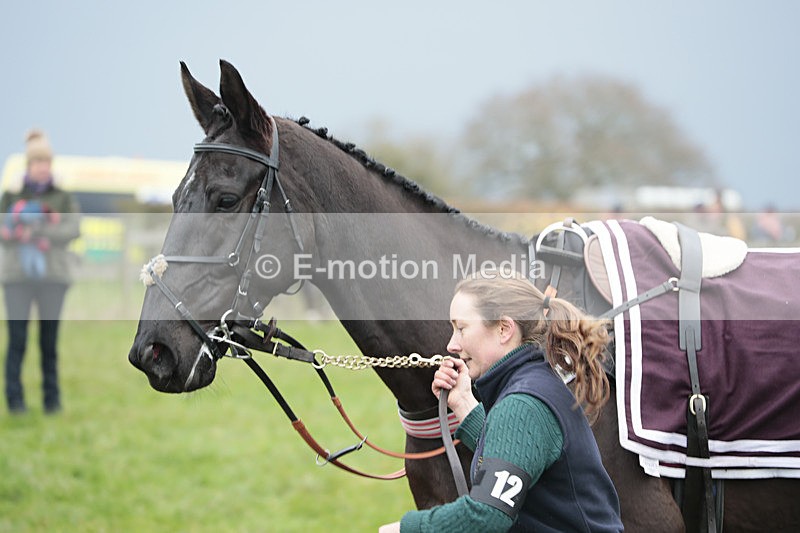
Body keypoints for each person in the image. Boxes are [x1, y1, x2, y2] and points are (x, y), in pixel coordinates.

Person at [380, 273, 623, 532]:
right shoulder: (533, 380)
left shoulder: (522, 404)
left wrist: (405, 529)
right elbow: (517, 455)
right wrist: (462, 401)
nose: (452, 344)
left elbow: (487, 515)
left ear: (504, 329)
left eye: (461, 328)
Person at [1, 129, 80, 414]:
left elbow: (73, 228)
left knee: (49, 343)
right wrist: (17, 230)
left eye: (46, 161)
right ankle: (15, 400)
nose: (42, 167)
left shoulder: (62, 197)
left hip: (52, 278)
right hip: (17, 278)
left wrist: (40, 228)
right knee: (17, 340)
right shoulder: (10, 197)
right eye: (37, 162)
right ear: (29, 164)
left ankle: (52, 401)